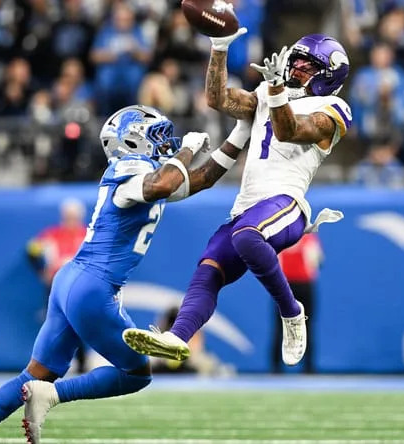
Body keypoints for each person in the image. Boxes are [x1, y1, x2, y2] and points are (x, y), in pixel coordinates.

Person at [0, 104, 252, 443]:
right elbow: (163, 183)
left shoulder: (144, 171)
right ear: (133, 142)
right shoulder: (132, 168)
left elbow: (201, 180)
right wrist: (188, 148)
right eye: (157, 135)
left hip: (72, 279)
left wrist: (242, 131)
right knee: (136, 374)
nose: (166, 143)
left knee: (35, 375)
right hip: (94, 286)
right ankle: (52, 396)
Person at [123, 25, 349, 368]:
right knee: (209, 268)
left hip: (286, 204)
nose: (298, 69)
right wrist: (220, 47)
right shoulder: (265, 93)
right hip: (247, 206)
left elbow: (289, 131)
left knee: (246, 237)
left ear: (328, 78)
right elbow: (217, 99)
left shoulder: (333, 109)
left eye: (309, 67)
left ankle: (291, 312)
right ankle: (177, 337)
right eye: (297, 61)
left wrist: (275, 90)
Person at [26, 198, 88, 372]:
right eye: (68, 217)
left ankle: (81, 362)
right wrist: (41, 271)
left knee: (80, 323)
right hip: (56, 284)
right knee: (54, 324)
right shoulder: (51, 234)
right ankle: (50, 364)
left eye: (74, 217)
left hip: (79, 285)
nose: (71, 220)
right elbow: (31, 251)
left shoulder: (87, 234)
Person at [273, 233, 323, 374]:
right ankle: (308, 367)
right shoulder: (308, 239)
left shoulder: (280, 239)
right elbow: (317, 260)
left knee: (281, 325)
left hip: (284, 286)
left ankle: (276, 366)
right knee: (306, 325)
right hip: (304, 285)